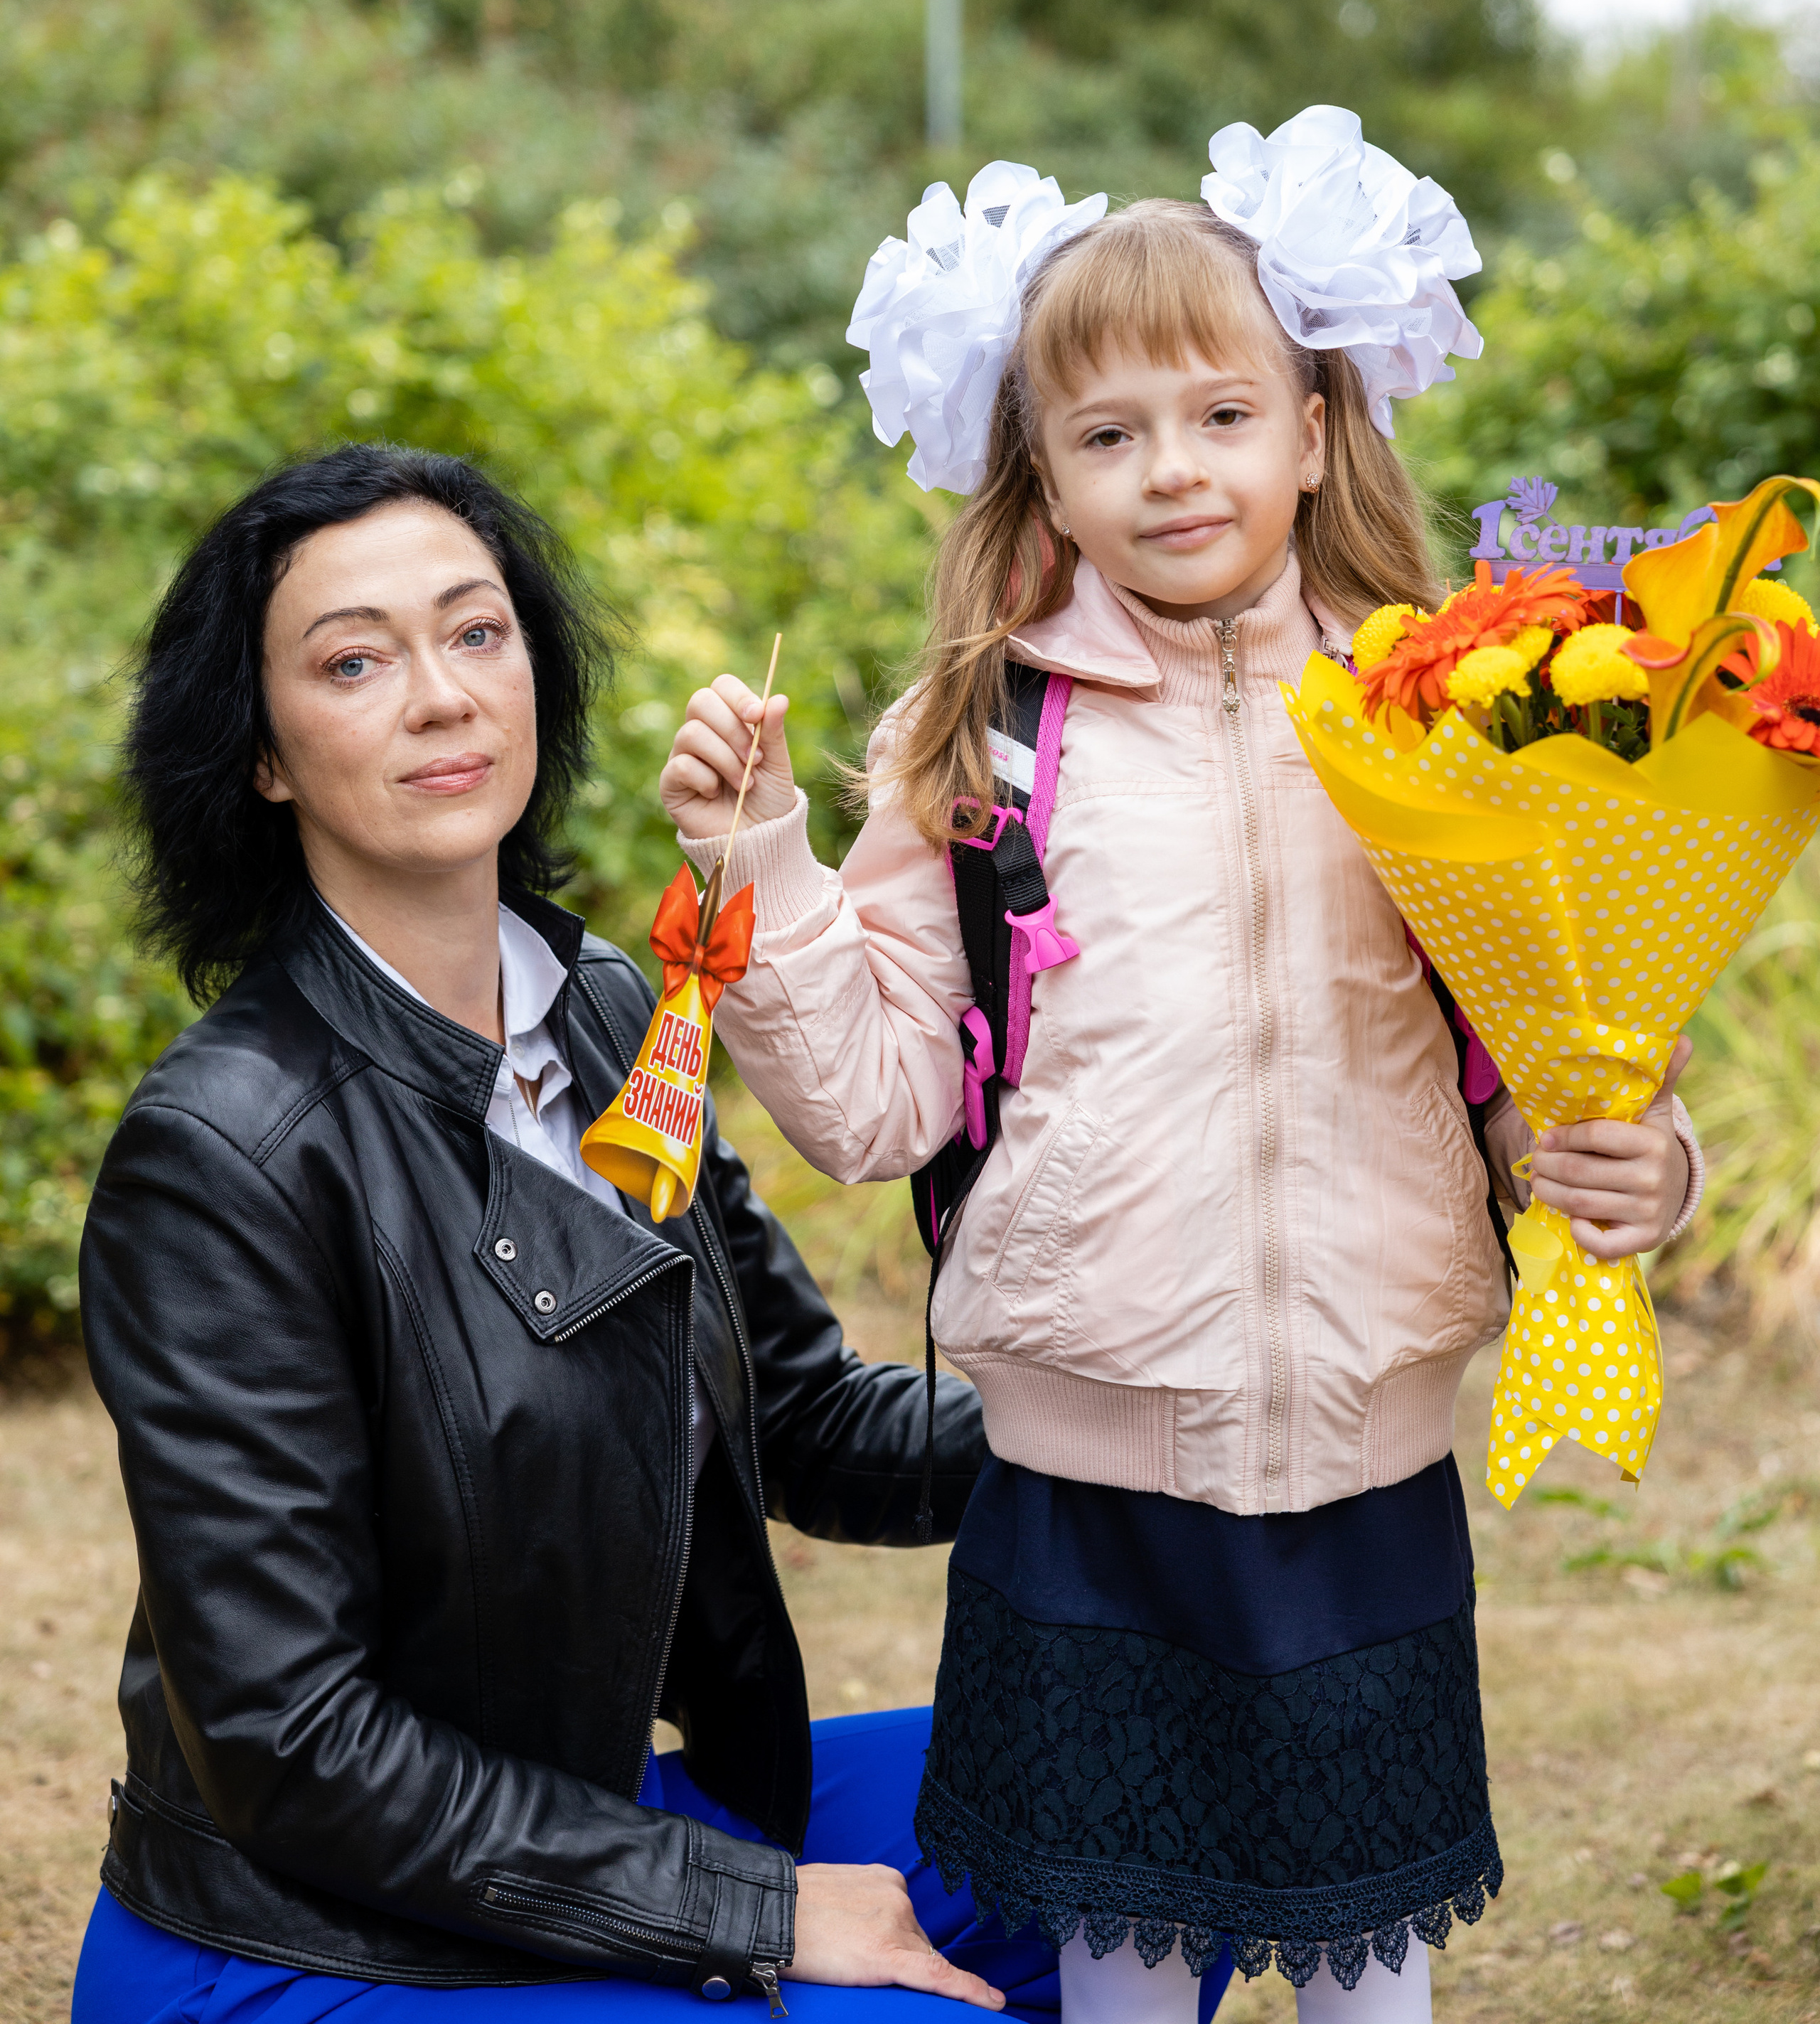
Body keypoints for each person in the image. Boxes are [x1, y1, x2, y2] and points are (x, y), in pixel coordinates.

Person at [658, 130, 1706, 2024]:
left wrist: (1642, 1160)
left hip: (1371, 1459)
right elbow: (877, 1108)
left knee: (1370, 1969)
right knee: (1123, 1965)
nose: (1174, 470)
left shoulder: (1445, 718)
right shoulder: (977, 741)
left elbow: (1545, 1062)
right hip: (1087, 1474)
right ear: (1039, 467)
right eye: (1109, 431)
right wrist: (766, 872)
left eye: (1223, 412)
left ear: (1317, 426)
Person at [72, 442, 1056, 2023]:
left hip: (595, 1815)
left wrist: (1133, 1418)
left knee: (1147, 1795)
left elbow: (800, 1417)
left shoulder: (605, 1009)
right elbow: (289, 1739)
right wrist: (753, 1907)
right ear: (260, 755)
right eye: (351, 661)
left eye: (477, 633)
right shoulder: (223, 1156)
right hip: (318, 1930)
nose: (442, 696)